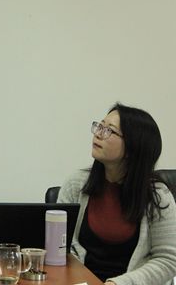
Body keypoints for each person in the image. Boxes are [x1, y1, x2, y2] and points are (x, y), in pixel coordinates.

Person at [58, 103, 176, 285]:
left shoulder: (158, 197)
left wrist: (117, 284)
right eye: (100, 126)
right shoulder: (76, 184)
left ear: (133, 147)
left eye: (109, 130)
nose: (98, 133)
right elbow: (59, 247)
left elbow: (168, 260)